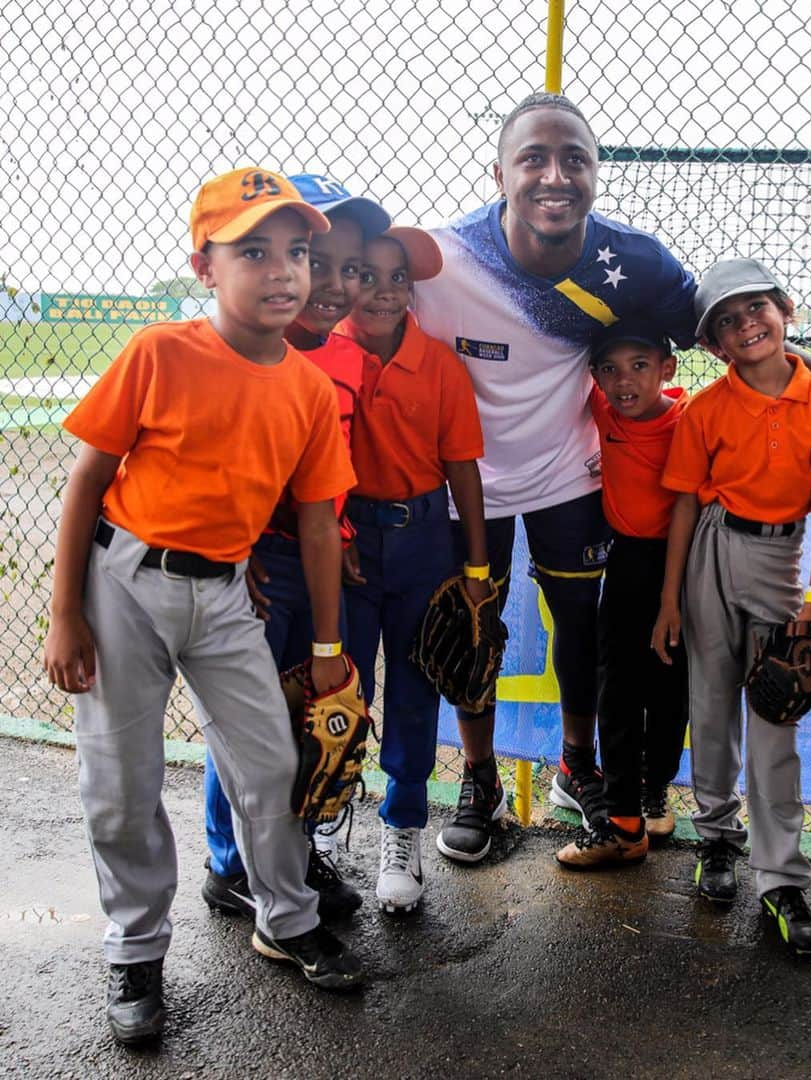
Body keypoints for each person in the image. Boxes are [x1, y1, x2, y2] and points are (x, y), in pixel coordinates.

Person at [412, 92, 811, 863]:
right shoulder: (444, 256)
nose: (554, 176)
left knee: (583, 633)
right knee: (473, 634)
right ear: (498, 172)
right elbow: (358, 296)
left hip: (569, 473)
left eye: (575, 160)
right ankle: (480, 779)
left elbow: (723, 326)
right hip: (468, 483)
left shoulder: (632, 260)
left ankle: (577, 767)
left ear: (598, 173)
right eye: (533, 158)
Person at [43, 168, 366, 1045]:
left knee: (268, 764)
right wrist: (64, 613)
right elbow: (87, 481)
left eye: (297, 251)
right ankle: (136, 950)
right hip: (124, 585)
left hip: (224, 593)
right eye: (253, 250)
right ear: (204, 265)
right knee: (122, 784)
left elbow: (316, 525)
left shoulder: (303, 386)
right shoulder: (161, 352)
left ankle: (287, 918)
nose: (283, 271)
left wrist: (330, 648)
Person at [200, 172, 392, 924]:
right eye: (321, 259)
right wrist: (237, 542)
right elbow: (220, 458)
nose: (336, 283)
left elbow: (330, 475)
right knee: (248, 719)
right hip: (258, 561)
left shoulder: (346, 359)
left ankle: (294, 845)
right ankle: (230, 863)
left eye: (350, 267)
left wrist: (342, 533)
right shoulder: (257, 350)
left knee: (316, 710)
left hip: (315, 557)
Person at [652, 258, 811, 956]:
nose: (746, 324)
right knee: (709, 706)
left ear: (786, 309)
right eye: (728, 322)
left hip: (785, 561)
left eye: (756, 308)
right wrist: (670, 600)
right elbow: (682, 502)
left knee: (776, 715)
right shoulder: (705, 409)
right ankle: (716, 838)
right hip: (712, 549)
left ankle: (782, 879)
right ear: (715, 346)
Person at [335, 225, 491, 902]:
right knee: (341, 687)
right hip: (344, 538)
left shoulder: (439, 364)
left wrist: (479, 571)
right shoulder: (324, 351)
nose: (383, 291)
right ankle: (325, 813)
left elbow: (462, 467)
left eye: (398, 278)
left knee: (414, 684)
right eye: (365, 275)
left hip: (423, 535)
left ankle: (402, 828)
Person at [555, 318, 689, 868]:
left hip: (680, 566)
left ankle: (653, 790)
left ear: (667, 369)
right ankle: (622, 819)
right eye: (609, 369)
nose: (624, 381)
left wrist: (672, 600)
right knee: (617, 688)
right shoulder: (604, 408)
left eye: (639, 366)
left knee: (671, 686)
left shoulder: (689, 421)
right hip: (627, 561)